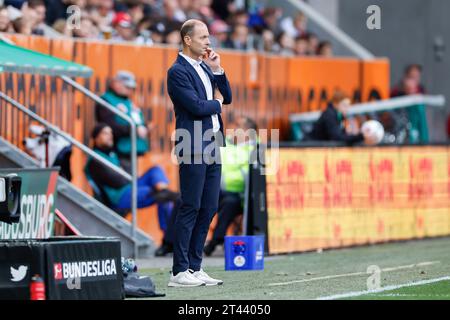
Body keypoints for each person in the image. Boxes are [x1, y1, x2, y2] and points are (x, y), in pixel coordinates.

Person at [166, 19, 232, 287]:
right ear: (187, 40)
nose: (208, 41)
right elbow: (196, 106)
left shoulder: (205, 66)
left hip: (213, 141)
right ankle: (178, 271)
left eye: (208, 37)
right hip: (192, 143)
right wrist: (215, 102)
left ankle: (195, 266)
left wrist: (218, 71)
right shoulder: (177, 71)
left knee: (209, 207)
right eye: (203, 37)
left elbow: (227, 97)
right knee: (191, 206)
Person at [84, 123, 179, 238]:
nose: (110, 136)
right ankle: (169, 238)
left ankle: (163, 190)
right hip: (119, 196)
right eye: (105, 133)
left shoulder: (112, 153)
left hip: (130, 185)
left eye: (110, 133)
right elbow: (117, 181)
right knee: (160, 196)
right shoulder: (95, 159)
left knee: (156, 170)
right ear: (95, 137)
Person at [204, 116, 257, 256]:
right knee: (185, 199)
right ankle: (169, 243)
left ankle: (214, 242)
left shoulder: (255, 149)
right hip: (217, 189)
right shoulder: (228, 143)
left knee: (230, 203)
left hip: (239, 195)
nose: (233, 129)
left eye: (238, 126)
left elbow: (248, 178)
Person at [95, 70, 149, 173]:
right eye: (127, 87)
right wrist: (134, 129)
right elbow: (110, 126)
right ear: (116, 83)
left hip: (131, 149)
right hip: (117, 151)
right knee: (126, 182)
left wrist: (144, 127)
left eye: (132, 88)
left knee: (133, 181)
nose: (130, 91)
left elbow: (137, 119)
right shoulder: (106, 100)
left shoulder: (128, 101)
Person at [309, 90, 374, 145]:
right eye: (344, 105)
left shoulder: (339, 116)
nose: (347, 109)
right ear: (335, 104)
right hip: (311, 147)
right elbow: (337, 137)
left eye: (348, 106)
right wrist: (360, 136)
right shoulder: (329, 115)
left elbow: (342, 135)